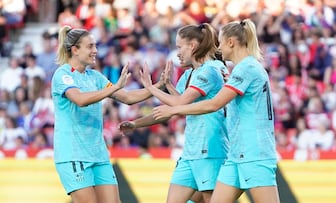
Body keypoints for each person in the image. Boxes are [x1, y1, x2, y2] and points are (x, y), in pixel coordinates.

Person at [153, 19, 281, 203]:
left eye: (220, 42)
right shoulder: (241, 69)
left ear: (231, 42)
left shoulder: (247, 69)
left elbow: (213, 104)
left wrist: (175, 109)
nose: (218, 48)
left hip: (255, 154)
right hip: (236, 155)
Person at [51, 25, 164, 203]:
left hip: (98, 154)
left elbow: (127, 97)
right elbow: (80, 99)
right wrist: (114, 88)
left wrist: (158, 87)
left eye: (95, 46)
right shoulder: (62, 75)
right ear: (75, 50)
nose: (95, 51)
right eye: (90, 46)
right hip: (73, 154)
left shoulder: (95, 77)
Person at [119, 23, 229, 203]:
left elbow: (178, 104)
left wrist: (150, 87)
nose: (177, 52)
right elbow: (171, 110)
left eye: (179, 47)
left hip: (210, 149)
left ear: (192, 46)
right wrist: (136, 124)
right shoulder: (189, 74)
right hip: (191, 151)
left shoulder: (210, 70)